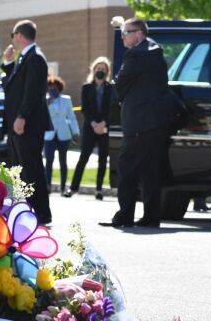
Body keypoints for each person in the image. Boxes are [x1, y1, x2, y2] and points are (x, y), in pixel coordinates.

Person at [100, 18, 176, 228]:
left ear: (139, 34)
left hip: (139, 121)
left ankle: (125, 216)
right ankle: (151, 217)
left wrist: (119, 95)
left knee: (126, 168)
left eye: (125, 33)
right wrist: (123, 24)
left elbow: (121, 83)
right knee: (151, 170)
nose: (122, 37)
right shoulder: (155, 50)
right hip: (157, 122)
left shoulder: (136, 54)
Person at [2, 20, 53, 225]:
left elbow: (33, 92)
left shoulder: (35, 58)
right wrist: (8, 63)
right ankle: (24, 209)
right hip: (18, 124)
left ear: (20, 35)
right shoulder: (25, 57)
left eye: (13, 35)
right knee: (19, 168)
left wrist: (22, 116)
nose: (12, 39)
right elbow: (15, 85)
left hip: (28, 124)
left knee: (31, 168)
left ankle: (40, 211)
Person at [70, 56, 113, 200]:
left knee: (102, 160)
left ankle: (99, 189)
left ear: (107, 71)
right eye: (98, 68)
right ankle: (73, 188)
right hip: (90, 127)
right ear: (93, 70)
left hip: (104, 127)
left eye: (103, 69)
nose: (100, 71)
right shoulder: (86, 87)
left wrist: (103, 124)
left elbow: (110, 108)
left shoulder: (110, 88)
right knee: (84, 157)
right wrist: (94, 123)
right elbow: (85, 108)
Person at [44, 76, 80, 197]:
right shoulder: (45, 100)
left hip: (63, 134)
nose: (52, 90)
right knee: (49, 160)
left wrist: (76, 132)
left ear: (59, 88)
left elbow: (71, 117)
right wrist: (47, 103)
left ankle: (63, 187)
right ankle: (47, 185)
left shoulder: (66, 100)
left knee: (63, 161)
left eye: (54, 88)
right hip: (49, 134)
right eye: (50, 88)